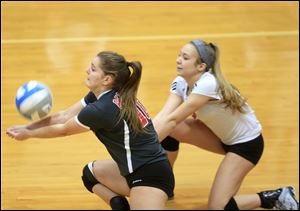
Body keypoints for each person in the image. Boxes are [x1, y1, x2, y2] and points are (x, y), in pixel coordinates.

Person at [6, 51, 175, 210]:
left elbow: (63, 130)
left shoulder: (101, 109)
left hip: (150, 176)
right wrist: (26, 128)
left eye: (93, 69)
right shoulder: (105, 95)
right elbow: (64, 116)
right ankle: (119, 205)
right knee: (90, 174)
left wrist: (29, 134)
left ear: (107, 79)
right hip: (133, 169)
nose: (87, 70)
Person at [153, 39, 299, 210]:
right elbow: (164, 117)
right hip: (220, 137)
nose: (178, 60)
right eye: (179, 55)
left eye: (185, 57)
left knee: (218, 207)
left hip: (246, 146)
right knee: (171, 129)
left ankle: (275, 196)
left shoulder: (208, 84)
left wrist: (138, 151)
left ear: (201, 66)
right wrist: (138, 142)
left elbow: (172, 119)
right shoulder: (181, 81)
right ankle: (164, 184)